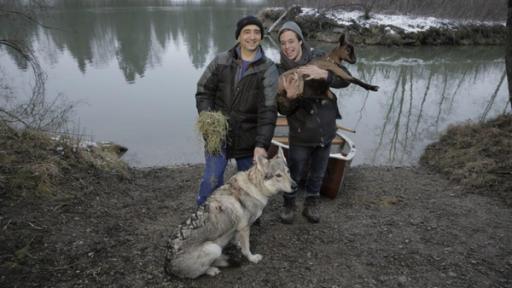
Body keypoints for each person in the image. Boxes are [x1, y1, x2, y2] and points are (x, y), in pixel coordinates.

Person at [195, 15, 279, 206]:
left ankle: (248, 218)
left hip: (249, 138)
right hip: (219, 135)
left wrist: (261, 144)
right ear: (238, 36)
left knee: (251, 185)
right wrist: (208, 119)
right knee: (212, 180)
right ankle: (202, 215)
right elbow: (203, 91)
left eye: (257, 32)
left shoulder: (268, 69)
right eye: (247, 32)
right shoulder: (221, 61)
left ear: (261, 36)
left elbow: (268, 110)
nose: (252, 36)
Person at [276, 21, 351, 224]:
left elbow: (345, 80)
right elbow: (282, 109)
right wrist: (290, 97)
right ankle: (289, 203)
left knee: (318, 171)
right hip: (300, 132)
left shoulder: (321, 57)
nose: (287, 46)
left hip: (326, 128)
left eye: (291, 41)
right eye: (283, 43)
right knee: (295, 170)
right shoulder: (280, 71)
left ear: (300, 41)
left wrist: (326, 75)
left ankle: (311, 202)